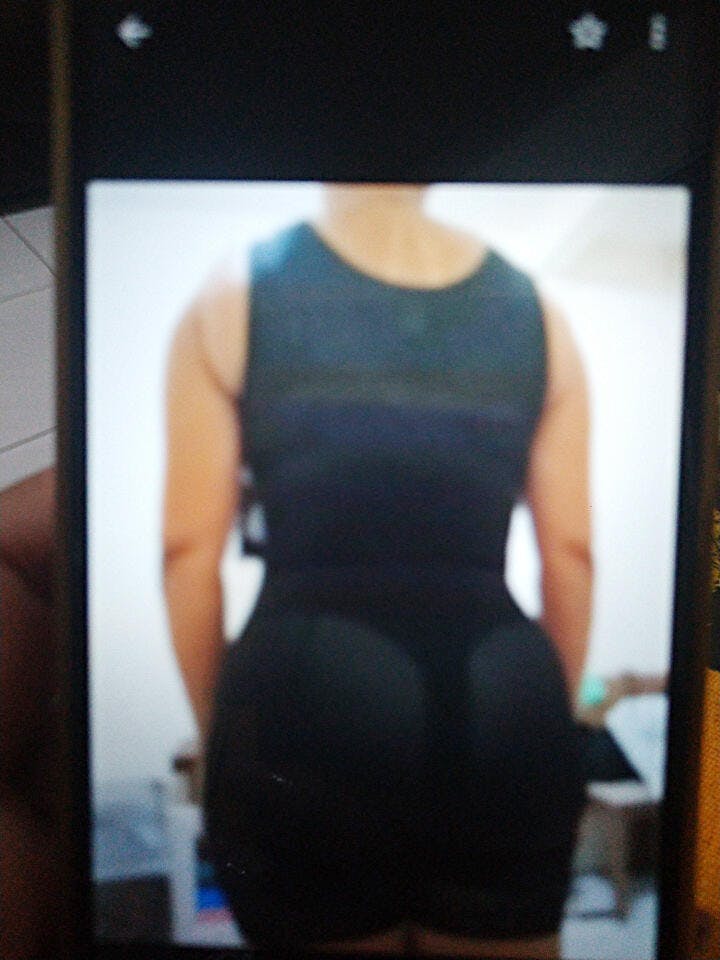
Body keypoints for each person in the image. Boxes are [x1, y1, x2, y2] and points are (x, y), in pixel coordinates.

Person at [162, 183, 593, 957]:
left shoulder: (233, 290)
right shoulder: (539, 311)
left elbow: (187, 554)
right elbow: (572, 555)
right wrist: (539, 730)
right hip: (502, 686)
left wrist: (227, 735)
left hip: (304, 692)